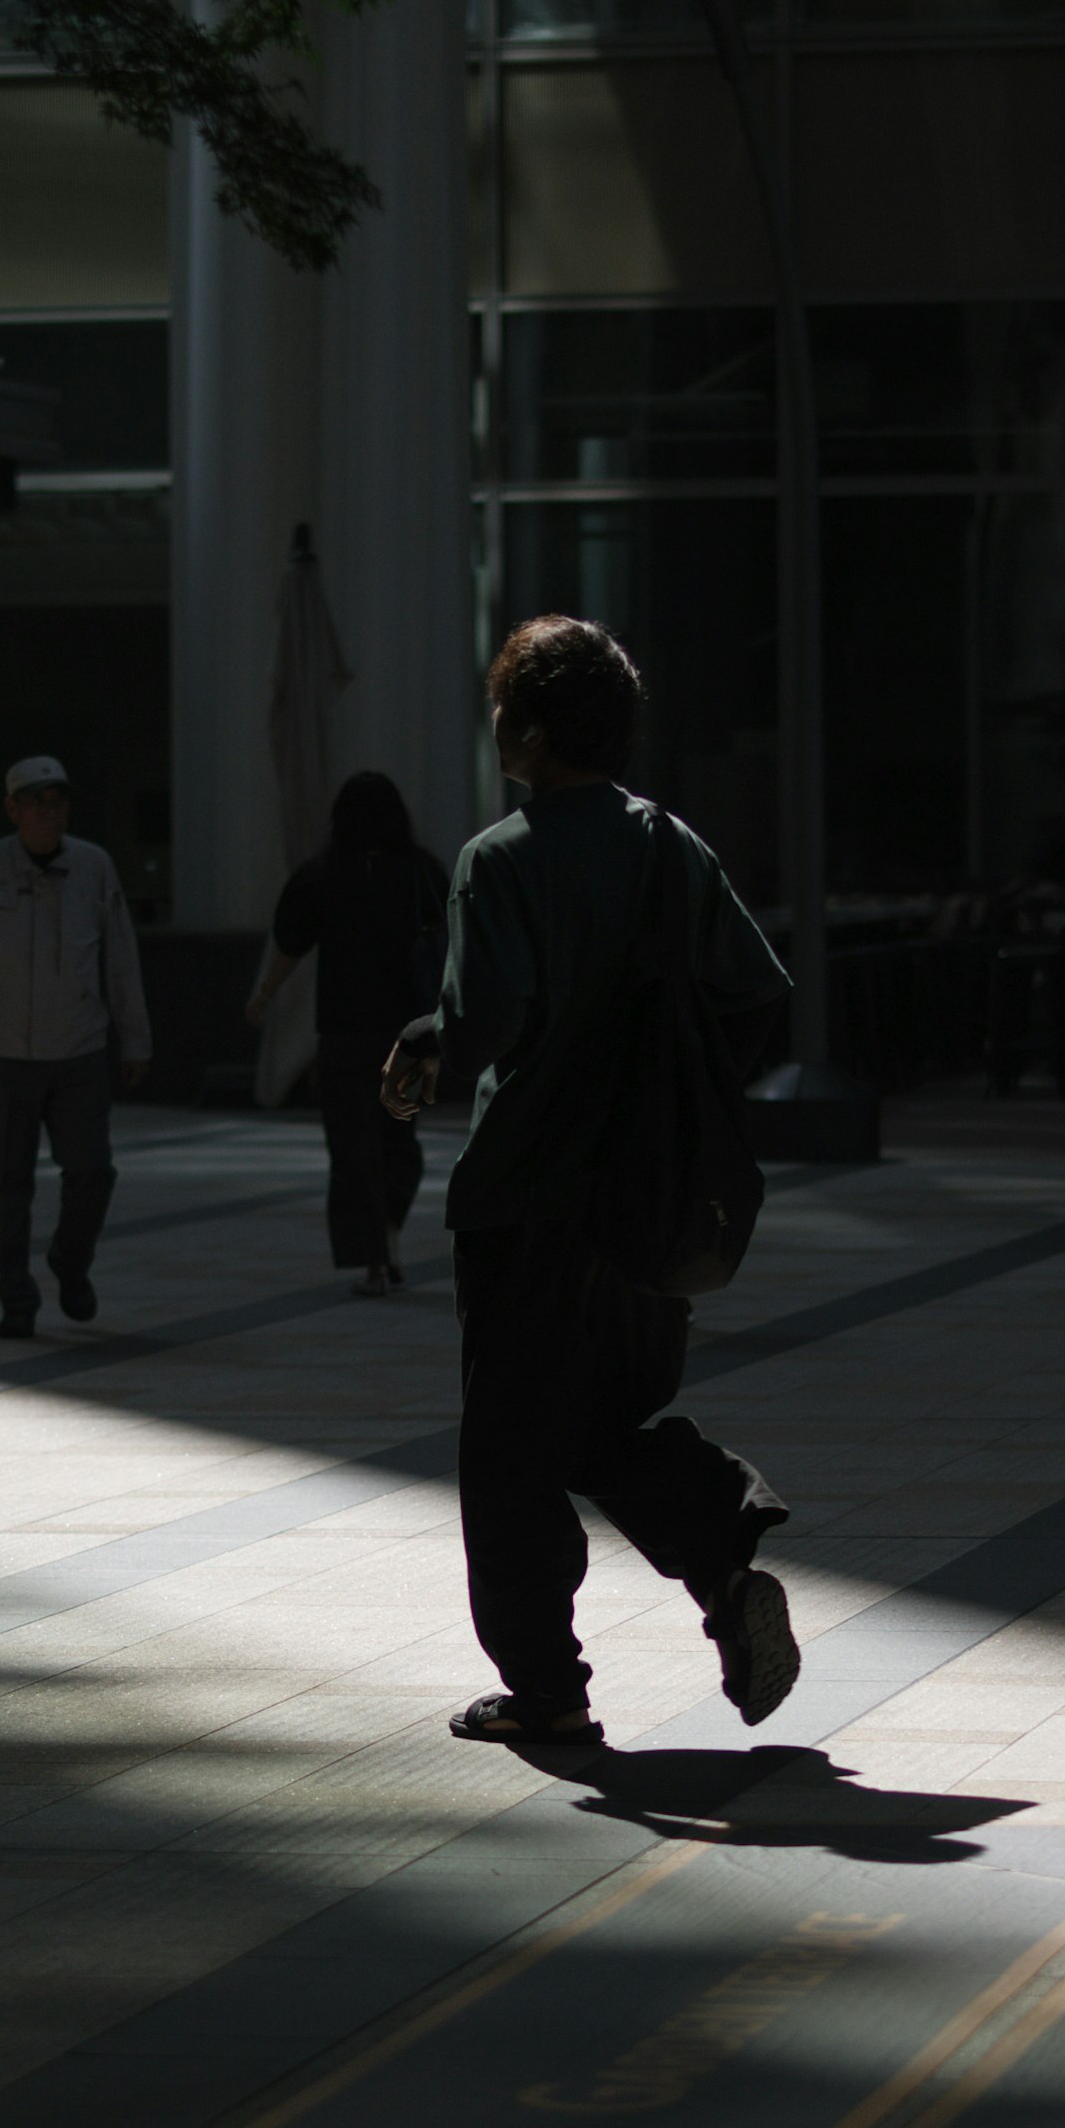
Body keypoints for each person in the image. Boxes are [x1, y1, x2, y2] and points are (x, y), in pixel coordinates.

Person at [383, 616, 805, 1752]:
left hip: (529, 1197)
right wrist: (675, 1093)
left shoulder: (500, 859)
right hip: (651, 1204)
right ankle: (720, 1553)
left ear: (527, 726)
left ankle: (549, 1690)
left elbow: (487, 1024)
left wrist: (430, 1041)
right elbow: (758, 994)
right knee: (602, 1418)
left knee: (513, 1454)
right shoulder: (673, 847)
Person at [0, 754, 153, 1341]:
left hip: (79, 1046)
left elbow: (120, 959)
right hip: (3, 1051)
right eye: (37, 800)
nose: (50, 810)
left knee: (91, 1171)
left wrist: (135, 1038)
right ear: (12, 809)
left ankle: (70, 1258)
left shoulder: (93, 867)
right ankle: (15, 1295)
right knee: (7, 1180)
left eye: (58, 799)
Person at [248, 770, 446, 1296]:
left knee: (352, 1145)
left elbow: (289, 941)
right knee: (399, 1141)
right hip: (408, 1033)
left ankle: (372, 1260)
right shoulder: (422, 873)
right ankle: (388, 1231)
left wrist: (264, 995)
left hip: (342, 1033)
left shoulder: (323, 875)